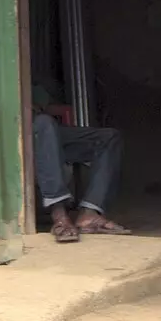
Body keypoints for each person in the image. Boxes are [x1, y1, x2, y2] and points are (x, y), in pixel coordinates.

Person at [32, 82, 130, 242]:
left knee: (109, 137)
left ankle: (90, 213)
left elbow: (44, 103)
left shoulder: (33, 83)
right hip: (18, 137)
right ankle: (59, 214)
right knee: (44, 123)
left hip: (48, 134)